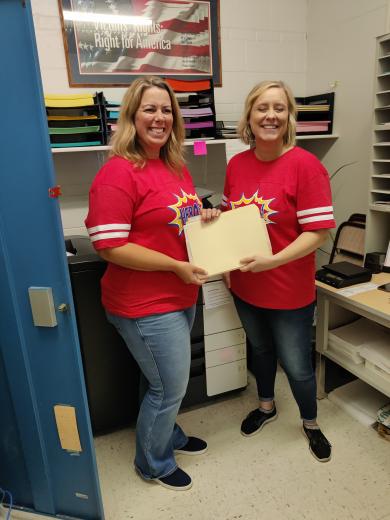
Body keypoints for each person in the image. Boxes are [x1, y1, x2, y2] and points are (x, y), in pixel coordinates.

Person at [85, 76, 220, 490]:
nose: (159, 118)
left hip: (180, 293)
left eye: (166, 110)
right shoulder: (118, 172)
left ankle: (168, 435)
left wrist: (205, 218)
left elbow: (177, 223)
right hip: (144, 304)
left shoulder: (174, 165)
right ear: (131, 116)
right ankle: (153, 462)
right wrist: (175, 267)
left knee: (160, 381)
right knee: (170, 386)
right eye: (149, 109)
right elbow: (110, 246)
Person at [221, 80, 335, 462]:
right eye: (262, 108)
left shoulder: (305, 165)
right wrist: (215, 235)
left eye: (279, 108)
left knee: (298, 364)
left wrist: (273, 261)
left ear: (289, 117)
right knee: (260, 350)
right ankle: (266, 406)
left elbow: (318, 232)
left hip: (288, 290)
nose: (270, 115)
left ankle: (311, 423)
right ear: (249, 117)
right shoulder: (237, 164)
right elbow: (229, 219)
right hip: (245, 286)